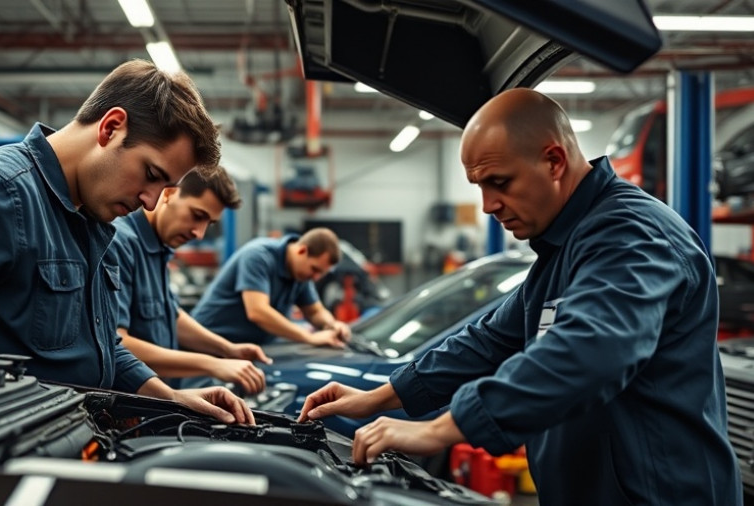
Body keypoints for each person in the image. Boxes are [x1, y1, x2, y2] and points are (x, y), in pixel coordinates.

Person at [297, 88, 742, 505]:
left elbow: (590, 351)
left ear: (553, 160)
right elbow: (488, 341)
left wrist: (439, 430)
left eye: (500, 183)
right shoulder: (565, 246)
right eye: (479, 187)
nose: (489, 205)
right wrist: (376, 395)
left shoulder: (632, 236)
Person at [0, 59, 253, 425]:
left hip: (77, 434)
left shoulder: (91, 221)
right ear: (111, 128)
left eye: (165, 186)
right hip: (6, 450)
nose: (151, 201)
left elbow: (100, 348)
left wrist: (167, 396)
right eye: (151, 174)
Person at [108, 166, 273, 395]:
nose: (200, 233)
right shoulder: (119, 243)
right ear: (167, 194)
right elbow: (116, 344)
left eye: (209, 223)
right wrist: (213, 364)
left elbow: (170, 315)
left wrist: (227, 349)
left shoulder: (158, 246)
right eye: (197, 216)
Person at [191, 227, 352, 348]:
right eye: (315, 269)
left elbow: (315, 311)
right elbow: (258, 312)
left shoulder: (301, 273)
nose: (316, 278)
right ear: (302, 250)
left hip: (243, 349)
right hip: (206, 345)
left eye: (321, 274)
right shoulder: (258, 256)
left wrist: (331, 325)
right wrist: (308, 337)